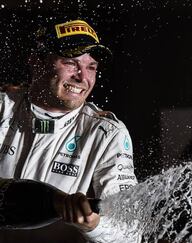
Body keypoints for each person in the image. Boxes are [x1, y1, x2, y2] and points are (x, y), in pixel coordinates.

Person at [0, 16, 138, 242]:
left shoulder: (106, 133)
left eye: (91, 67)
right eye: (71, 63)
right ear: (36, 61)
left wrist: (94, 225)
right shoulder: (3, 109)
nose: (83, 77)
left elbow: (131, 234)